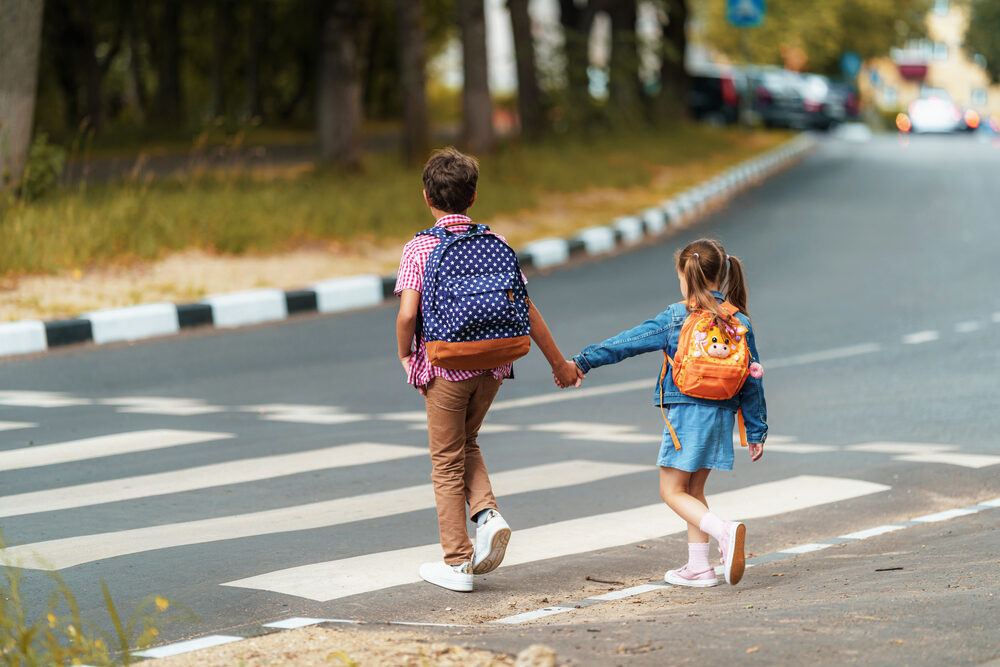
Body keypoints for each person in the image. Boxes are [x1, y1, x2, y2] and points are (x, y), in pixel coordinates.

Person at [395, 147, 584, 592]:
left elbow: (407, 315)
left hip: (447, 368)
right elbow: (527, 309)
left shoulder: (420, 247)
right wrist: (559, 364)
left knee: (445, 462)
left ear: (427, 196)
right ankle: (487, 515)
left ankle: (458, 562)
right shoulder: (496, 243)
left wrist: (406, 355)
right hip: (495, 365)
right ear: (473, 197)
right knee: (467, 441)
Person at [570, 238, 767, 587]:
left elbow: (627, 342)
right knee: (692, 491)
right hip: (722, 414)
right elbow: (753, 377)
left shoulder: (678, 317)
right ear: (722, 274)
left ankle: (724, 531)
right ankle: (699, 568)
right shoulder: (739, 321)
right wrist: (755, 431)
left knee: (671, 491)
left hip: (688, 412)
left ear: (685, 275)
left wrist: (584, 361)